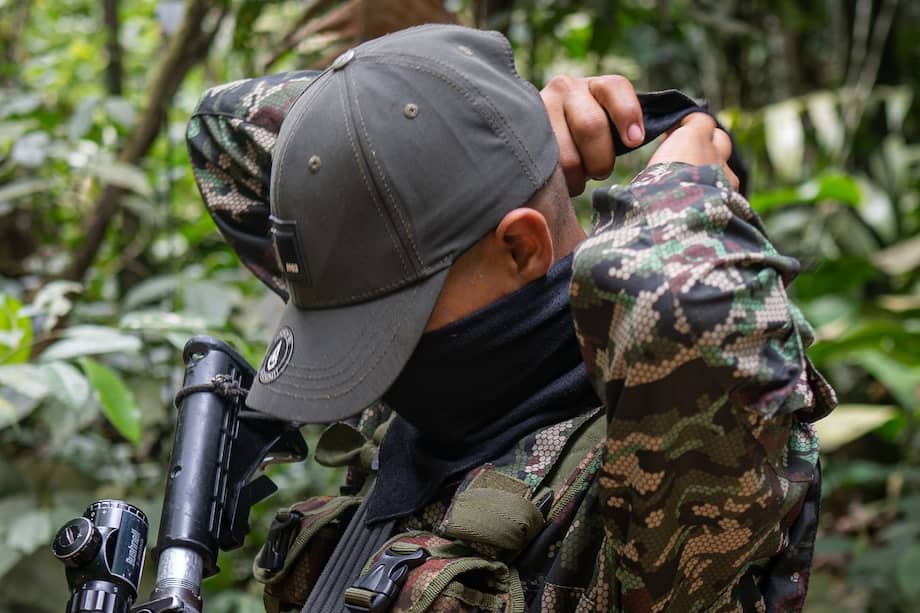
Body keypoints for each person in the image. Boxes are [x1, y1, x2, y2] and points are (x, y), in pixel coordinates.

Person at [187, 24, 835, 612]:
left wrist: (682, 186)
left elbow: (691, 307)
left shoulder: (667, 448)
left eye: (391, 312)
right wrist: (496, 126)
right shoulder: (446, 391)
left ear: (523, 247)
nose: (369, 355)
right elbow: (217, 133)